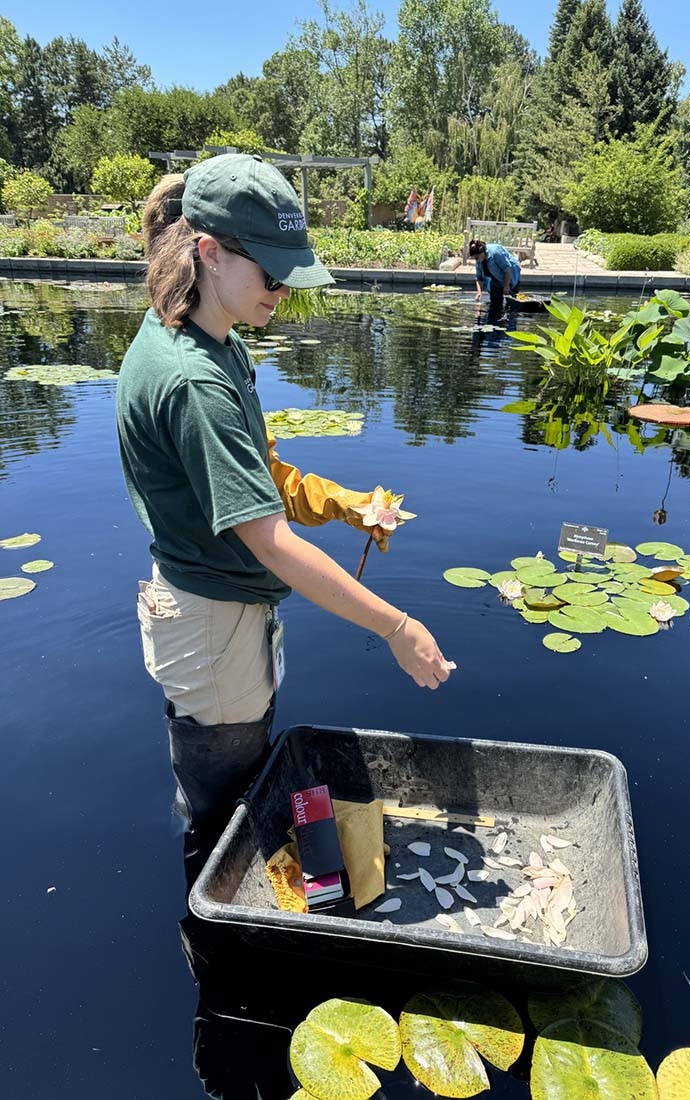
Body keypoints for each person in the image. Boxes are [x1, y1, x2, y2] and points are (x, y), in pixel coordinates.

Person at [116, 153, 453, 845]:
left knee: (237, 786)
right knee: (220, 815)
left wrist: (340, 503)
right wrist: (395, 627)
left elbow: (259, 475)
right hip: (212, 624)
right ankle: (211, 934)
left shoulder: (213, 338)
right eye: (272, 273)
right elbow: (267, 541)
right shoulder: (193, 381)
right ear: (208, 251)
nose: (285, 292)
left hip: (226, 614)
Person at [468, 238, 521, 322]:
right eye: (475, 259)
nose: (477, 261)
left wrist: (506, 286)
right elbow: (479, 278)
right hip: (496, 279)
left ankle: (510, 323)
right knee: (495, 304)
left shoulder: (495, 252)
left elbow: (507, 269)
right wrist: (479, 292)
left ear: (482, 252)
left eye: (477, 258)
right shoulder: (479, 261)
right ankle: (495, 323)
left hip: (511, 274)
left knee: (512, 303)